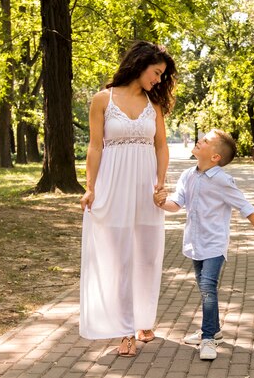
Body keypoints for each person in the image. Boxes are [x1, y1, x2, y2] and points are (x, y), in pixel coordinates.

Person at [79, 41, 177, 357]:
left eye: (163, 75)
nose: (159, 80)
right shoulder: (102, 100)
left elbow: (161, 146)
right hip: (113, 184)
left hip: (146, 187)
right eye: (157, 73)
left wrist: (160, 183)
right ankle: (125, 330)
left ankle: (144, 319)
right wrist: (90, 187)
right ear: (140, 64)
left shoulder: (154, 105)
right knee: (118, 258)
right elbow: (95, 147)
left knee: (147, 255)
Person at [157, 129, 254, 360]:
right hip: (194, 243)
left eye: (204, 141)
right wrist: (162, 203)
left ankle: (208, 338)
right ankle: (214, 330)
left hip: (214, 244)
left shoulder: (223, 180)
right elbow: (177, 204)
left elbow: (246, 207)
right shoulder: (187, 175)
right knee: (204, 289)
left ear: (215, 157)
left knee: (207, 287)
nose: (198, 141)